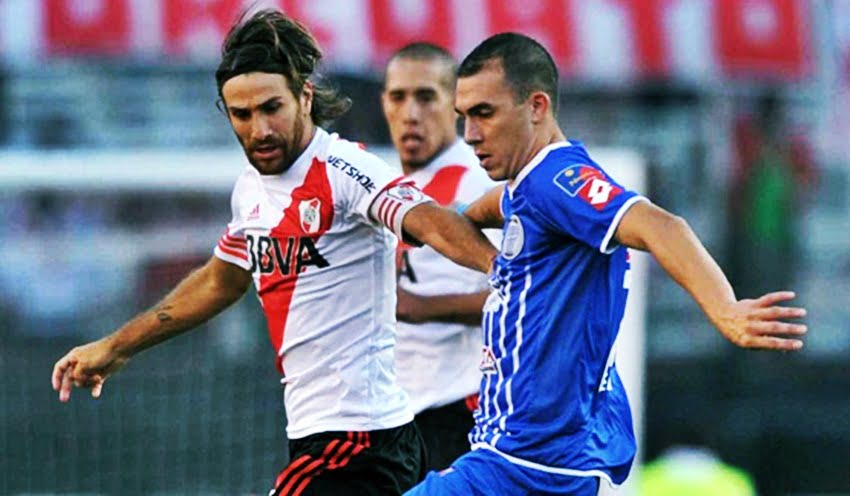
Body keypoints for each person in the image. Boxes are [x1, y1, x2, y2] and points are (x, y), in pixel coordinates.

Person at [50, 9, 497, 496]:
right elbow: (220, 280)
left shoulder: (341, 167)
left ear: (304, 96)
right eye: (242, 115)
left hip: (359, 439)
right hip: (319, 436)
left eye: (271, 108)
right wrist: (116, 346)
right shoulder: (251, 192)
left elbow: (429, 220)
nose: (259, 129)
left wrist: (506, 272)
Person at [406, 33, 807, 496]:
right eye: (464, 117)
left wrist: (725, 309)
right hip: (525, 459)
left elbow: (663, 226)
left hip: (528, 467)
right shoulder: (529, 187)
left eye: (484, 113)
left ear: (536, 106)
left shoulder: (558, 180)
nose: (470, 134)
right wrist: (451, 221)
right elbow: (502, 204)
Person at [381, 42, 498, 471]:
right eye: (399, 97)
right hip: (400, 411)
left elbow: (525, 296)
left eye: (426, 97)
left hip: (461, 408)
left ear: (454, 104)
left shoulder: (480, 185)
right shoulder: (387, 184)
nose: (411, 113)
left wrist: (419, 308)